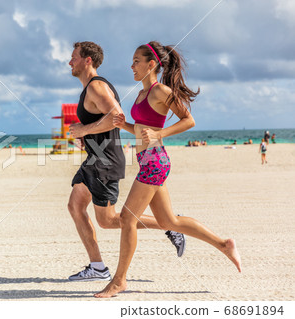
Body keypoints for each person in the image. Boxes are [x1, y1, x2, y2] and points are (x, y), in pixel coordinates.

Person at [95, 41, 241, 298]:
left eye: (136, 61)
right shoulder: (141, 94)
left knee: (128, 219)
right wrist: (125, 125)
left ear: (151, 64)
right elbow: (144, 130)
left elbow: (189, 120)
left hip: (155, 162)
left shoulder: (160, 91)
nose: (132, 66)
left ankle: (119, 281)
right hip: (148, 160)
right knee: (168, 221)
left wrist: (161, 133)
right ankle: (224, 244)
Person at [67, 41, 186, 282]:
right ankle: (98, 267)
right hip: (95, 158)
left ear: (87, 60)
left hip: (104, 161)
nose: (70, 62)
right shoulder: (90, 88)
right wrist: (86, 136)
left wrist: (84, 130)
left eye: (74, 57)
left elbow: (115, 117)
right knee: (75, 206)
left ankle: (168, 226)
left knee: (111, 221)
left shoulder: (96, 88)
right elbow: (113, 122)